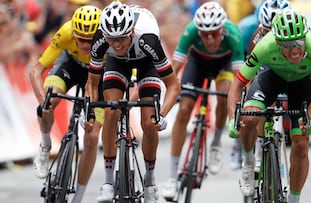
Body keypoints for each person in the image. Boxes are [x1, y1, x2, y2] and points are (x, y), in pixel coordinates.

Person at [227, 9, 311, 203]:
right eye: (288, 45)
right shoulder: (265, 46)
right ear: (278, 42)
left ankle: (293, 199)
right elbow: (238, 83)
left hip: (301, 84)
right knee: (249, 118)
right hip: (272, 77)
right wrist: (233, 119)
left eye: (299, 42)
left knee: (300, 143)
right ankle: (248, 161)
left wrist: (309, 118)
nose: (295, 49)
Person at [84, 2, 180, 203]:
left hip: (146, 63)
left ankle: (150, 181)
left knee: (149, 122)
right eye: (112, 39)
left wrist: (161, 114)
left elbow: (173, 85)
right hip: (116, 63)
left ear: (132, 32)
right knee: (111, 110)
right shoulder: (101, 39)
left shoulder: (148, 40)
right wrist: (90, 113)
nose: (117, 44)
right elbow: (92, 83)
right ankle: (108, 182)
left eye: (121, 39)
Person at [161, 1, 245, 200]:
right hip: (197, 65)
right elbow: (174, 69)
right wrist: (167, 89)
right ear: (197, 30)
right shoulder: (190, 31)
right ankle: (173, 177)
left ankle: (215, 144)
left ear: (222, 29)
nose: (209, 39)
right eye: (204, 34)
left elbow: (240, 79)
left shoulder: (233, 35)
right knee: (184, 111)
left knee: (225, 95)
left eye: (214, 33)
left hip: (224, 65)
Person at [28, 5, 104, 203]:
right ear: (74, 33)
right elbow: (36, 71)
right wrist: (43, 102)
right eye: (81, 39)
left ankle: (78, 197)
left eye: (91, 40)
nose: (86, 45)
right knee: (49, 100)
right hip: (70, 65)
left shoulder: (109, 40)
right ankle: (45, 146)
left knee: (92, 136)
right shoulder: (66, 32)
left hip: (100, 74)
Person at [230, 0, 292, 170]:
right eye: (266, 31)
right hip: (258, 60)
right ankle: (253, 150)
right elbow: (248, 73)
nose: (271, 37)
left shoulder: (295, 33)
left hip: (285, 64)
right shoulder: (249, 30)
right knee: (255, 102)